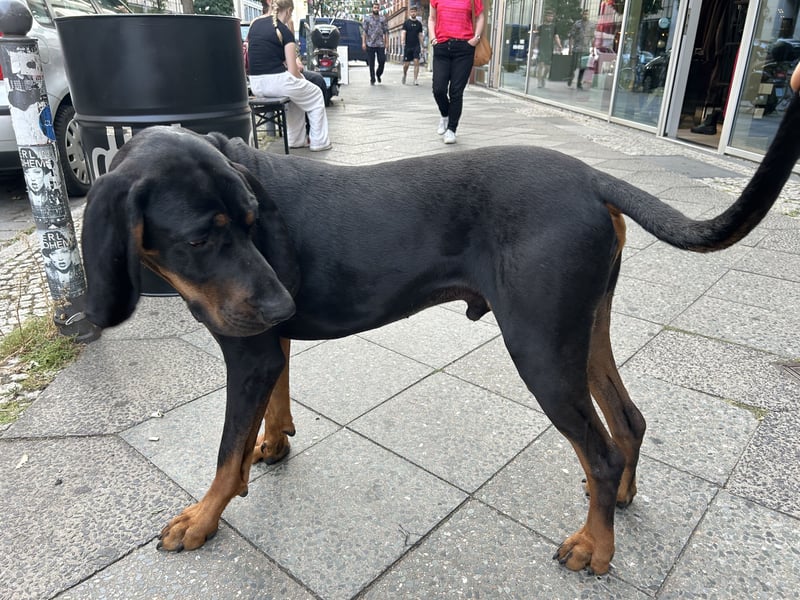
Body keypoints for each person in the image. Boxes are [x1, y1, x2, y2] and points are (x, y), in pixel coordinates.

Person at [246, 0, 331, 151]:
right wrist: (302, 80)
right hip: (277, 82)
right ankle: (319, 142)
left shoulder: (254, 25)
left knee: (296, 97)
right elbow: (293, 70)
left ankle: (296, 140)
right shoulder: (284, 31)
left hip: (256, 84)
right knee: (315, 94)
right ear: (288, 11)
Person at [428, 0, 485, 144]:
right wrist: (433, 38)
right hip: (442, 47)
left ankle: (451, 129)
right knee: (438, 89)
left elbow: (480, 17)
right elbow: (432, 18)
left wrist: (476, 38)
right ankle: (445, 114)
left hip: (464, 49)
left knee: (456, 91)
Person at [567, 9, 594, 90]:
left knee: (583, 67)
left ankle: (579, 83)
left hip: (585, 49)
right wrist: (570, 48)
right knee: (574, 66)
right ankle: (570, 77)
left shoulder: (591, 25)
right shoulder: (577, 24)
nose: (585, 15)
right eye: (584, 14)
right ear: (582, 15)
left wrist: (593, 48)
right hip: (577, 48)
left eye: (587, 14)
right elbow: (571, 36)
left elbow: (592, 38)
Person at [362, 2, 388, 85]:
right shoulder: (367, 19)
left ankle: (378, 74)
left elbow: (386, 32)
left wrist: (386, 43)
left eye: (377, 8)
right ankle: (372, 78)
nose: (376, 9)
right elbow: (364, 32)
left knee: (382, 60)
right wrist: (363, 43)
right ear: (372, 8)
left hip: (380, 44)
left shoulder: (383, 19)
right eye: (374, 7)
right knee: (371, 63)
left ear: (379, 9)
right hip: (370, 43)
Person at [534, 10, 561, 88]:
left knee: (548, 67)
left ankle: (543, 78)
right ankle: (539, 81)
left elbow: (556, 37)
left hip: (549, 49)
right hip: (541, 48)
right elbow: (537, 38)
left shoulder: (554, 27)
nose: (550, 17)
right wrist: (535, 47)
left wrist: (559, 45)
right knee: (541, 65)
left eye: (551, 16)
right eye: (549, 16)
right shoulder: (541, 27)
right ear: (545, 17)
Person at [401, 5, 424, 85]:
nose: (413, 13)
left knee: (416, 61)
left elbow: (420, 35)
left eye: (414, 11)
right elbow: (403, 32)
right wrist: (403, 41)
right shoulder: (406, 23)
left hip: (416, 45)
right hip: (408, 45)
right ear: (410, 13)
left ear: (416, 13)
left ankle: (415, 79)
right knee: (406, 64)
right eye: (412, 12)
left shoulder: (419, 24)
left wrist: (422, 46)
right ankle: (404, 74)